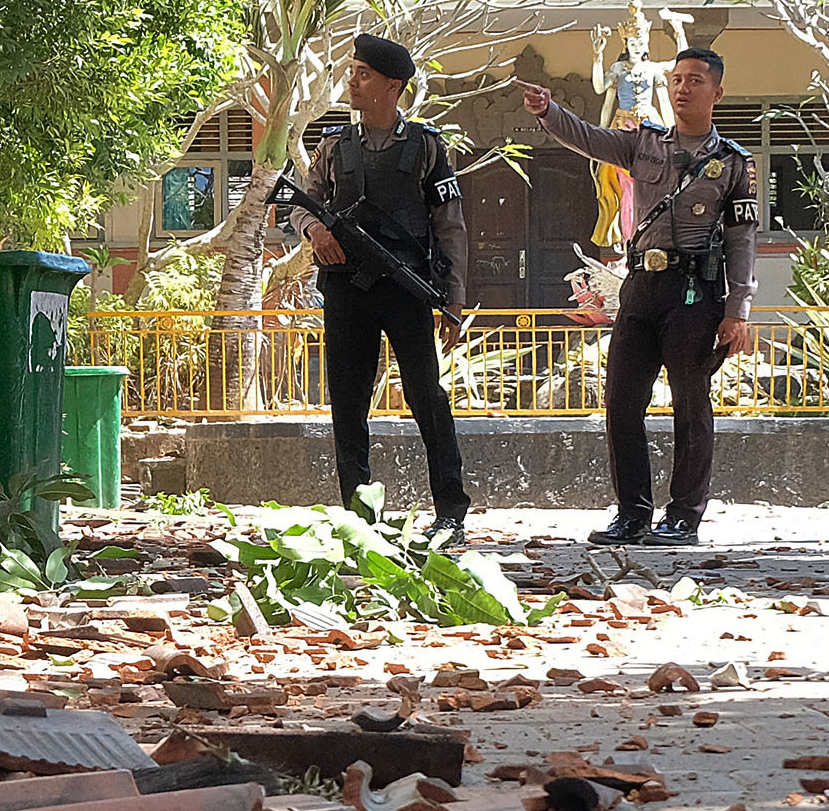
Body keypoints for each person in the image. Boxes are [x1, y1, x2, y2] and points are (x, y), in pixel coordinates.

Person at [523, 44, 761, 543]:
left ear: (717, 92)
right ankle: (632, 512)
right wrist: (549, 112)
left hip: (694, 293)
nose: (682, 88)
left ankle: (683, 516)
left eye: (695, 80)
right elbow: (588, 139)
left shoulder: (733, 164)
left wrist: (737, 310)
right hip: (641, 288)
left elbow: (742, 240)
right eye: (677, 79)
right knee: (621, 401)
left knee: (690, 404)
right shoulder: (644, 144)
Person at [285, 33, 473, 544]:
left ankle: (451, 510)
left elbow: (450, 224)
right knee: (348, 403)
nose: (352, 80)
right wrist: (314, 230)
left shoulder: (428, 149)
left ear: (393, 87)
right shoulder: (333, 148)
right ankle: (357, 518)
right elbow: (301, 205)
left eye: (363, 73)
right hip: (347, 289)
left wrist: (454, 299)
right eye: (352, 70)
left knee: (426, 397)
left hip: (406, 288)